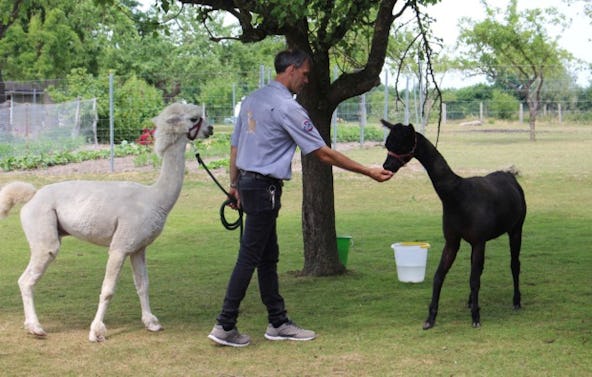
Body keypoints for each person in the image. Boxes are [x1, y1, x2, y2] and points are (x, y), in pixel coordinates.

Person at [208, 48, 393, 347]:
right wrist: (367, 171)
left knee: (267, 258)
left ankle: (278, 322)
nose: (307, 80)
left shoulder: (252, 100)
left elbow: (234, 147)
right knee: (250, 256)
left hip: (249, 184)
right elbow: (321, 152)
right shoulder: (287, 107)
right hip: (264, 188)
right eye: (305, 74)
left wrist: (234, 184)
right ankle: (225, 324)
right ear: (291, 69)